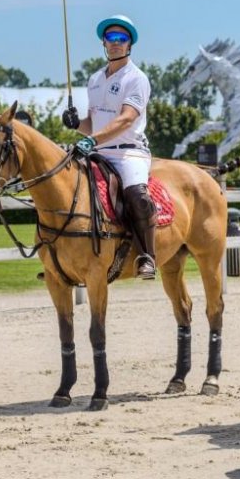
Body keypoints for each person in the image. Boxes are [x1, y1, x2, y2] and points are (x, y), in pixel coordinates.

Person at [62, 14, 157, 280]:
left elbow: (126, 118)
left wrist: (92, 139)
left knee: (137, 195)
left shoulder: (136, 78)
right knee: (66, 187)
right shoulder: (94, 79)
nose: (115, 43)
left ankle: (147, 256)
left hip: (128, 152)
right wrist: (76, 124)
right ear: (104, 42)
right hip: (98, 151)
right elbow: (93, 124)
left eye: (121, 38)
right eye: (111, 38)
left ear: (129, 44)